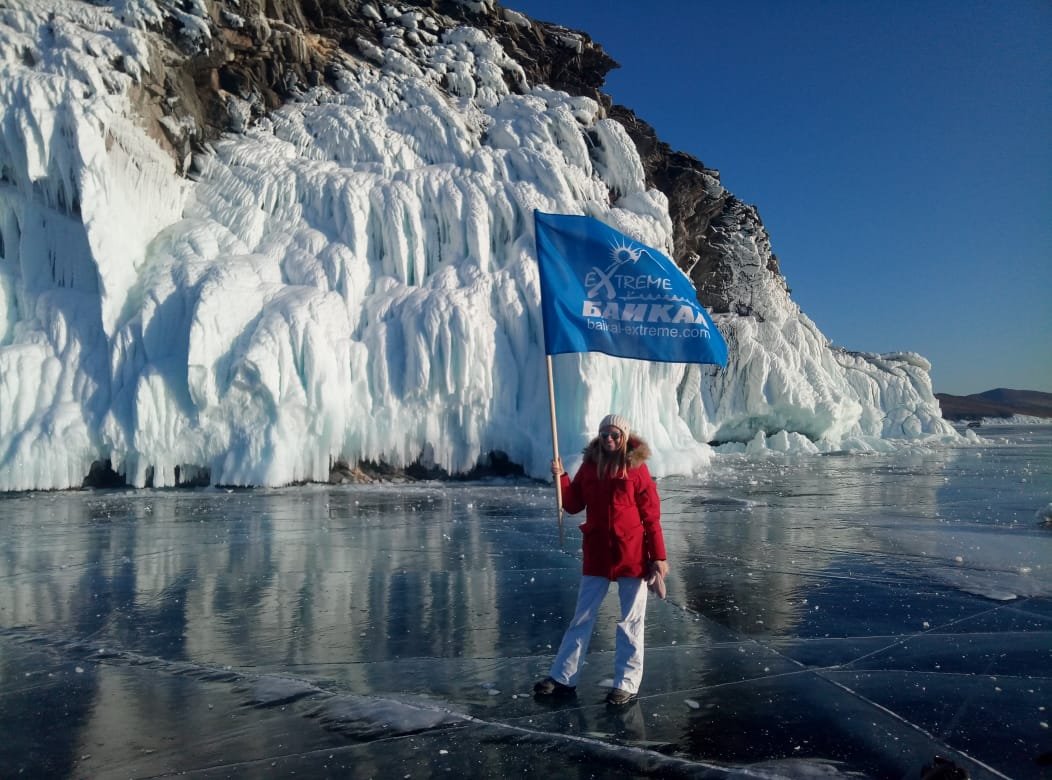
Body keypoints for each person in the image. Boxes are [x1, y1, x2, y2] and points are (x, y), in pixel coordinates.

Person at [534, 414, 669, 706]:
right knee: (581, 616)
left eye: (614, 434)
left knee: (631, 621)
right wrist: (561, 478)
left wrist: (658, 556)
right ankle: (562, 677)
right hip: (597, 551)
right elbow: (572, 505)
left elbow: (651, 516)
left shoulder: (637, 469)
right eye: (604, 434)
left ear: (624, 437)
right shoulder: (590, 466)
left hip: (631, 553)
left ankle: (627, 683)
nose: (609, 438)